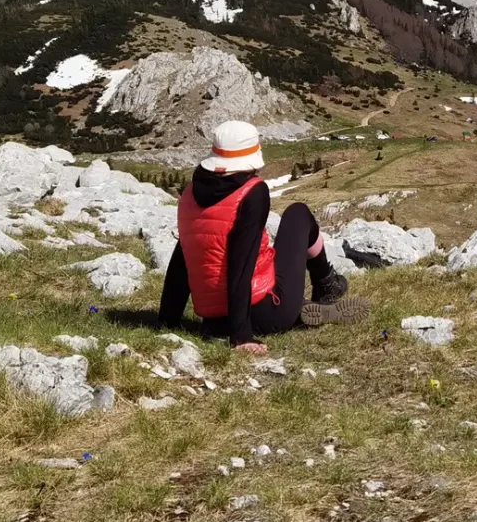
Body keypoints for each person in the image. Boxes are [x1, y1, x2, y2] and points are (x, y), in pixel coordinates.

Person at [158, 120, 369, 355]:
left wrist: (168, 319)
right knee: (298, 213)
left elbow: (183, 257)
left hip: (214, 322)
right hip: (262, 312)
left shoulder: (190, 193)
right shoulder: (252, 192)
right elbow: (241, 263)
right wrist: (241, 337)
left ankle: (302, 310)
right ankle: (326, 285)